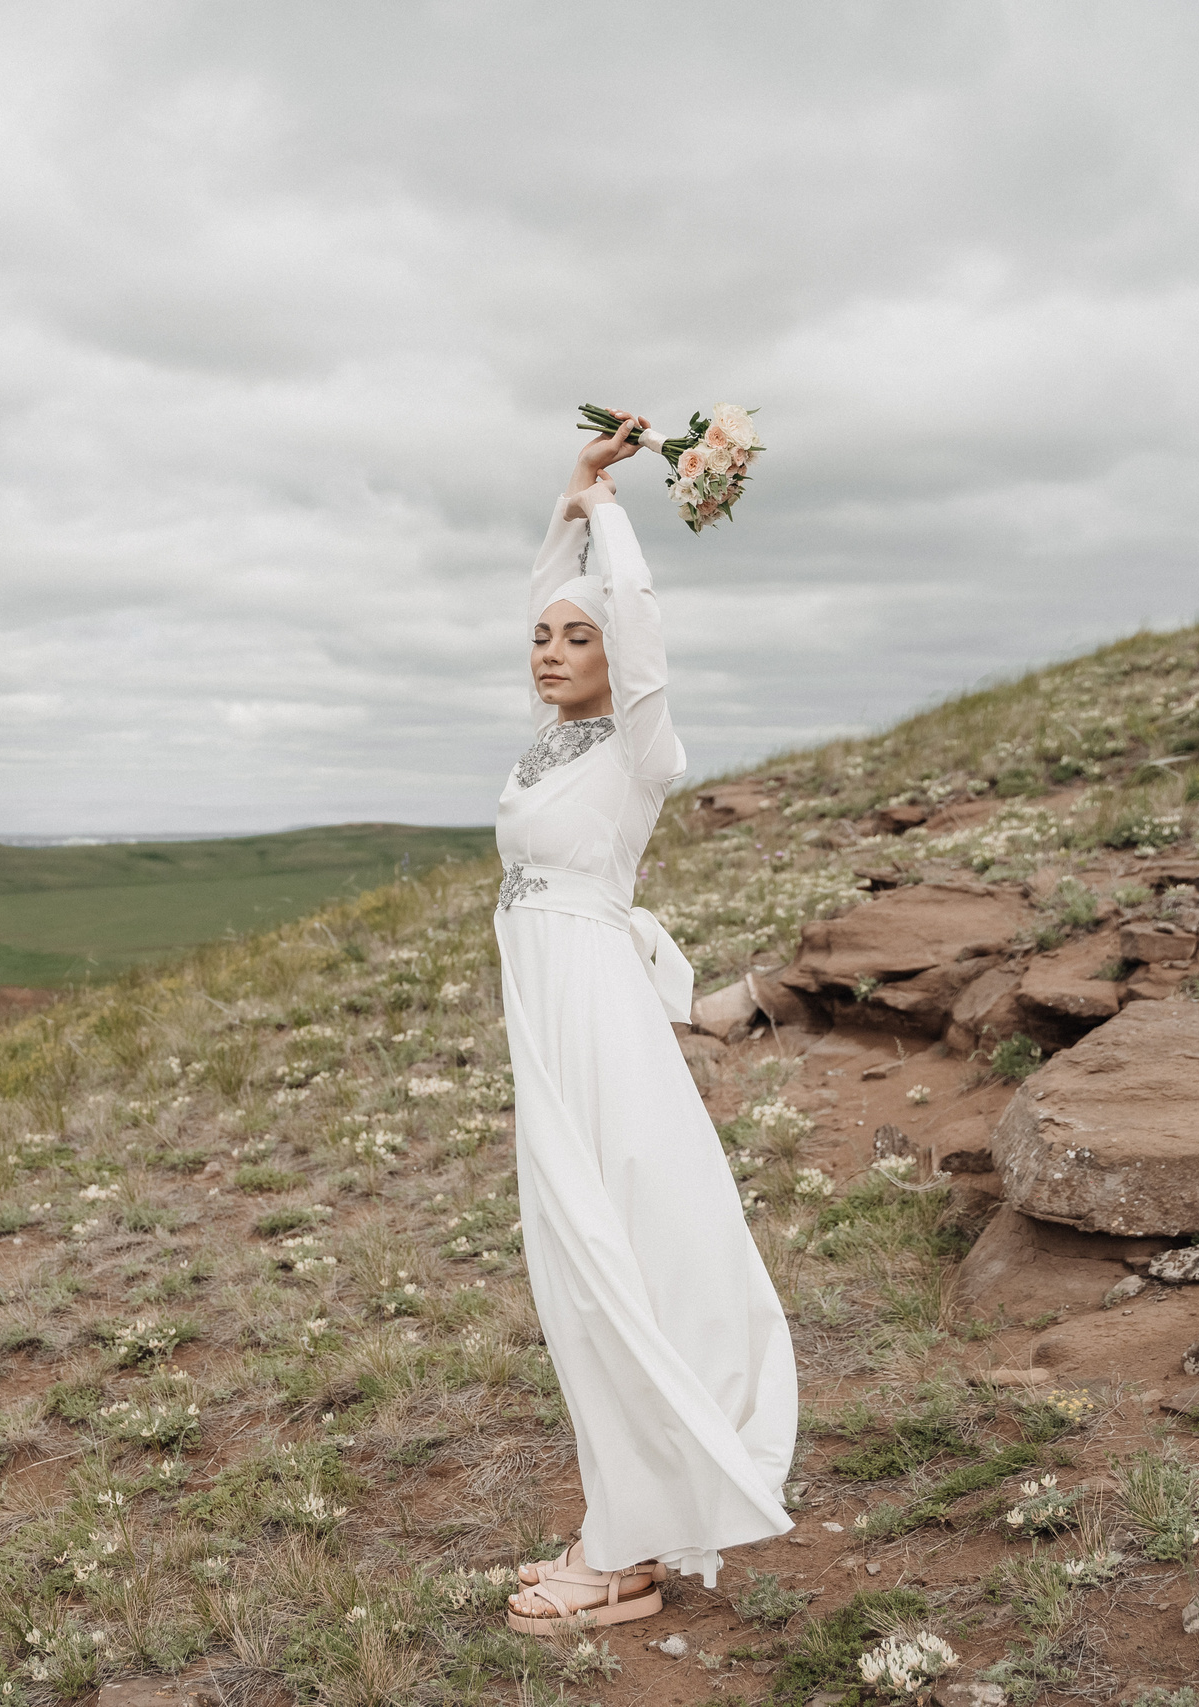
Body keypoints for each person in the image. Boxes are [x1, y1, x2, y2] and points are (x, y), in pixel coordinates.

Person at [494, 411, 800, 1635]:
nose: (551, 649)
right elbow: (545, 599)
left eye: (580, 636)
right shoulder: (550, 747)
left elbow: (641, 634)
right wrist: (566, 499)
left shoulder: (637, 750)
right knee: (572, 1267)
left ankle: (623, 1550)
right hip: (552, 1022)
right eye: (542, 639)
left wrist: (616, 518)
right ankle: (621, 1520)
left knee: (612, 1251)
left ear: (622, 654)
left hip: (598, 1026)